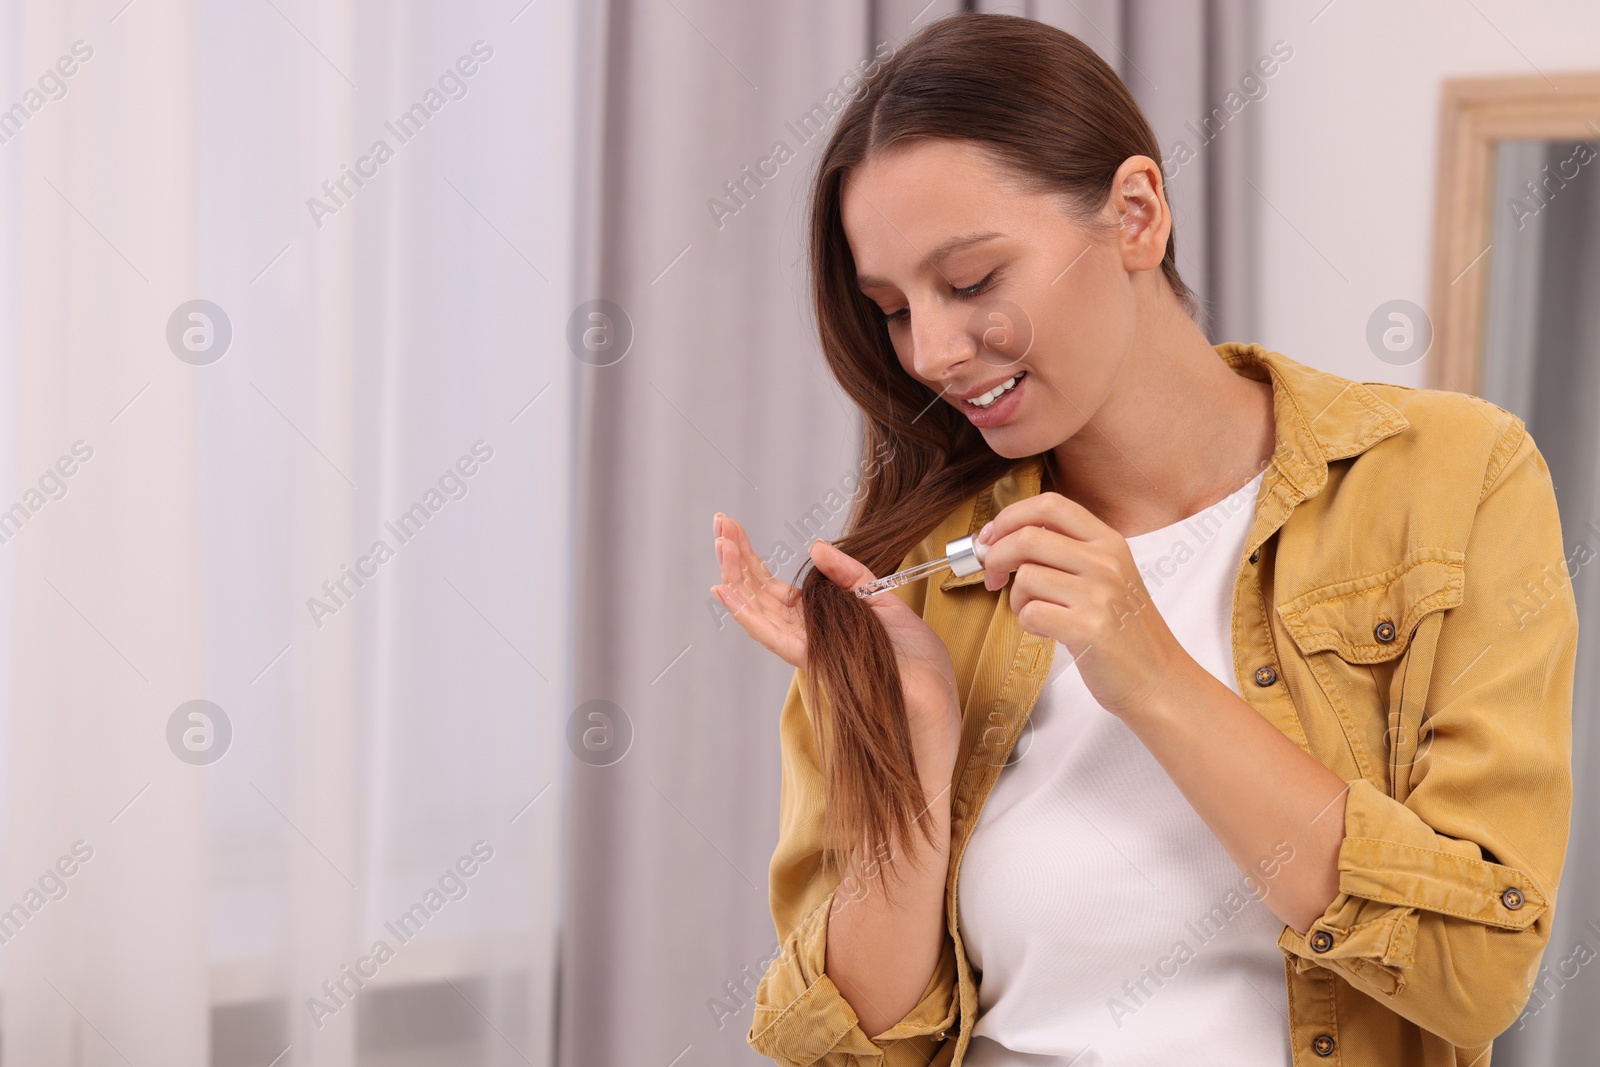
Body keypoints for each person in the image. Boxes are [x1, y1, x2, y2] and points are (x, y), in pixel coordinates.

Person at [709, 13, 1578, 1067]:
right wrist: (915, 748)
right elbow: (847, 1047)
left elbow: (1476, 971)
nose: (932, 350)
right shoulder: (918, 588)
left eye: (973, 280)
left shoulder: (1447, 476)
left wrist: (1149, 667)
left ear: (1134, 214)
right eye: (892, 308)